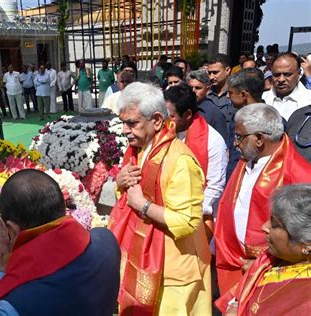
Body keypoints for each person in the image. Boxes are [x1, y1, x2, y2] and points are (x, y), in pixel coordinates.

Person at [109, 82, 211, 315]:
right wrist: (120, 182)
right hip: (141, 255)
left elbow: (187, 222)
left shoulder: (180, 161)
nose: (125, 130)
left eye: (132, 123)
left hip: (174, 268)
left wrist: (142, 205)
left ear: (156, 120)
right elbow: (128, 196)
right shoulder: (137, 150)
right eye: (123, 122)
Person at [0, 169, 121, 316]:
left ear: (11, 230)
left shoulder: (15, 305)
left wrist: (2, 268)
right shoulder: (106, 240)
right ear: (62, 207)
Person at [214, 104, 311, 295]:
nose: (234, 143)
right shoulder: (247, 161)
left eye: (240, 137)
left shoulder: (299, 175)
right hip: (234, 262)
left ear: (259, 139)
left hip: (273, 273)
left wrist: (262, 265)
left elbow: (303, 240)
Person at [216, 184, 311, 315]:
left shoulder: (306, 298)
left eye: (275, 224)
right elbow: (240, 300)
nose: (264, 227)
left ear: (306, 245)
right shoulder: (267, 262)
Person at [164, 83, 228, 242]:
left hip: (196, 216)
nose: (167, 121)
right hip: (165, 211)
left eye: (172, 116)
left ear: (187, 114)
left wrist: (188, 213)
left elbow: (215, 185)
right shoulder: (165, 132)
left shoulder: (213, 141)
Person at [262, 52, 311, 120]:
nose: (281, 79)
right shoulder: (262, 99)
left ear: (299, 74)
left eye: (287, 74)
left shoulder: (308, 99)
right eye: (277, 75)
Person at [188, 70, 228, 142]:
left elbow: (222, 142)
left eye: (198, 88)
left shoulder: (215, 113)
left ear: (208, 89)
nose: (193, 91)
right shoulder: (184, 108)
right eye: (190, 88)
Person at [207, 54, 237, 132]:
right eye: (209, 73)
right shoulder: (205, 93)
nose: (211, 77)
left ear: (227, 70)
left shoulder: (236, 94)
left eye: (215, 73)